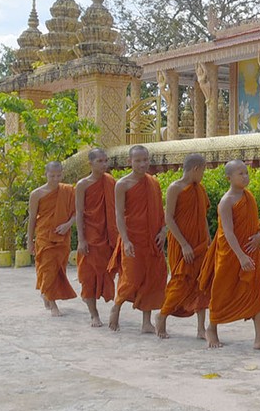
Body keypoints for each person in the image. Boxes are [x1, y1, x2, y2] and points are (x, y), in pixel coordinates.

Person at [198, 160, 260, 351]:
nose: (245, 176)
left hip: (251, 252)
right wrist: (240, 256)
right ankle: (212, 328)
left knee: (257, 291)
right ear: (229, 178)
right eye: (240, 173)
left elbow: (256, 224)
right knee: (222, 290)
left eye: (246, 172)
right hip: (231, 254)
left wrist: (259, 236)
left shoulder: (249, 197)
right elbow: (228, 232)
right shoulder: (226, 202)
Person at [108, 145, 167, 333]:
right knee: (131, 277)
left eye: (145, 160)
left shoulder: (153, 183)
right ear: (129, 162)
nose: (143, 164)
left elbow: (160, 210)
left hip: (152, 238)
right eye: (138, 160)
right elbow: (118, 214)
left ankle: (146, 322)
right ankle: (117, 306)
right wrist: (125, 240)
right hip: (133, 237)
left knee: (152, 277)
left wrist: (164, 230)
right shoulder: (122, 184)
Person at [155, 154, 212, 340]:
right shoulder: (175, 188)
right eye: (203, 170)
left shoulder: (199, 189)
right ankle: (162, 316)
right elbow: (168, 219)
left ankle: (201, 329)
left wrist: (209, 240)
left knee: (202, 283)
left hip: (201, 243)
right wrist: (184, 244)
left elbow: (203, 216)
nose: (203, 174)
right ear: (196, 169)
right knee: (180, 281)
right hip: (181, 245)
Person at [74, 148, 118, 327]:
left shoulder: (111, 182)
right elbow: (79, 213)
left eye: (106, 160)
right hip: (91, 236)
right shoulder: (83, 185)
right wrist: (81, 239)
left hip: (108, 237)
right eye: (100, 161)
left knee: (108, 273)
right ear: (90, 163)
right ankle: (94, 314)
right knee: (88, 276)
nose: (104, 164)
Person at [27, 161, 77, 317]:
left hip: (62, 236)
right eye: (52, 175)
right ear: (45, 174)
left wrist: (68, 225)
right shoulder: (37, 194)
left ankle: (46, 292)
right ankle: (53, 303)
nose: (55, 179)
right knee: (47, 268)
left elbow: (76, 213)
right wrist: (30, 241)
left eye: (58, 175)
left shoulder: (68, 191)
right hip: (44, 235)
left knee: (57, 269)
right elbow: (32, 219)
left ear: (62, 174)